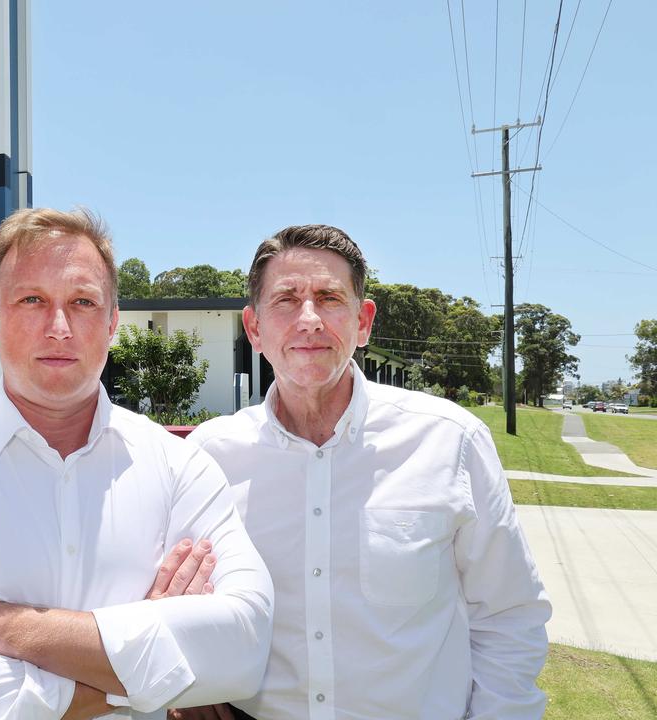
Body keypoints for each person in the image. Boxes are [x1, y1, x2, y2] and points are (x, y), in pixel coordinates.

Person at [0, 208, 274, 720]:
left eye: (82, 302)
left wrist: (13, 629)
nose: (58, 328)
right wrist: (150, 674)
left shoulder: (180, 467)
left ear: (113, 322)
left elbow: (243, 651)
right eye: (32, 300)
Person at [180, 225, 551, 720]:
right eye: (286, 300)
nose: (308, 319)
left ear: (363, 321)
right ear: (254, 327)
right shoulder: (212, 456)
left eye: (329, 298)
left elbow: (508, 616)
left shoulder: (450, 441)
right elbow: (183, 604)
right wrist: (192, 688)